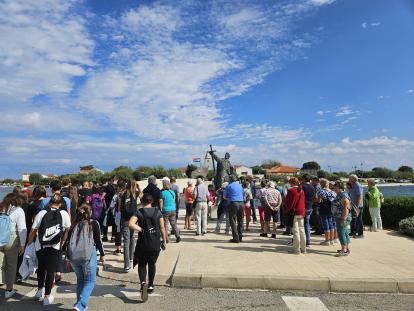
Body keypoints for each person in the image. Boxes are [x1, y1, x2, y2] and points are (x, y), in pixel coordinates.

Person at [27, 193, 71, 305]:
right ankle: (47, 297)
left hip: (40, 245)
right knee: (51, 271)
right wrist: (62, 243)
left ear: (50, 202)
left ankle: (39, 290)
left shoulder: (42, 213)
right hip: (55, 246)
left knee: (41, 268)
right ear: (60, 204)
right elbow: (67, 230)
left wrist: (29, 243)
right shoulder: (64, 213)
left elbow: (33, 229)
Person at [129, 194, 167, 302]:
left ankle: (143, 283)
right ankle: (150, 285)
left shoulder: (139, 212)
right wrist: (164, 240)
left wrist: (140, 229)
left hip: (143, 243)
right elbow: (162, 227)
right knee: (152, 263)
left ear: (142, 201)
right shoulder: (157, 212)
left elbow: (131, 224)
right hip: (155, 243)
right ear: (152, 201)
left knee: (142, 264)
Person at [67, 203, 105, 311]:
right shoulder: (93, 223)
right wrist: (102, 254)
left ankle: (80, 306)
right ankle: (80, 305)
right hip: (87, 255)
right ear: (90, 212)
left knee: (80, 280)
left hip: (74, 257)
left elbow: (68, 241)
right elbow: (98, 241)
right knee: (90, 281)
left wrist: (67, 257)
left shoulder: (74, 224)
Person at [0, 194, 27, 299]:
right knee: (11, 265)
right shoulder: (19, 210)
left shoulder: (1, 207)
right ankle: (9, 290)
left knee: (0, 264)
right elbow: (22, 228)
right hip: (11, 239)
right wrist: (22, 244)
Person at [120, 180, 142, 272]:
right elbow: (142, 196)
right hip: (133, 219)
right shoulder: (136, 193)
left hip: (125, 219)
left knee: (126, 241)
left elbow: (120, 207)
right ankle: (131, 258)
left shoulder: (123, 194)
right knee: (132, 238)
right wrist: (138, 186)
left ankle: (126, 265)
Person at [285, 177, 306, 255]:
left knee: (296, 231)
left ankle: (296, 249)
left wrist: (287, 210)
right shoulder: (302, 190)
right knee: (302, 230)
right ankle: (303, 249)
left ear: (291, 183)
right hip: (302, 211)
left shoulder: (291, 191)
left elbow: (288, 202)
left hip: (294, 212)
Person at [332, 181, 352, 256]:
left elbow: (346, 208)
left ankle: (343, 250)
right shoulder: (339, 195)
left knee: (341, 233)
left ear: (341, 188)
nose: (334, 189)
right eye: (334, 188)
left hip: (342, 218)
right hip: (340, 217)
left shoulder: (343, 196)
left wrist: (343, 219)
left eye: (336, 188)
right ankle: (346, 248)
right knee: (345, 233)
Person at [315, 179, 338, 246]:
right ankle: (332, 240)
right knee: (331, 224)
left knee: (325, 224)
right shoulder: (331, 191)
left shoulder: (321, 191)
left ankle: (327, 240)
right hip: (331, 209)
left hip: (323, 209)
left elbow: (319, 201)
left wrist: (316, 200)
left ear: (321, 184)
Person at [224, 175, 244, 243]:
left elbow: (224, 196)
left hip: (233, 203)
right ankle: (240, 236)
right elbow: (243, 194)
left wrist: (229, 198)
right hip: (241, 203)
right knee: (240, 220)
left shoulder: (228, 186)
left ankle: (236, 238)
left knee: (232, 220)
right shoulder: (240, 185)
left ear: (230, 179)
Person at [301, 175, 315, 247]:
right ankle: (308, 241)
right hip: (310, 207)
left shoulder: (303, 187)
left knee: (301, 225)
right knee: (307, 224)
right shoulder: (313, 187)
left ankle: (302, 240)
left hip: (303, 207)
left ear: (304, 179)